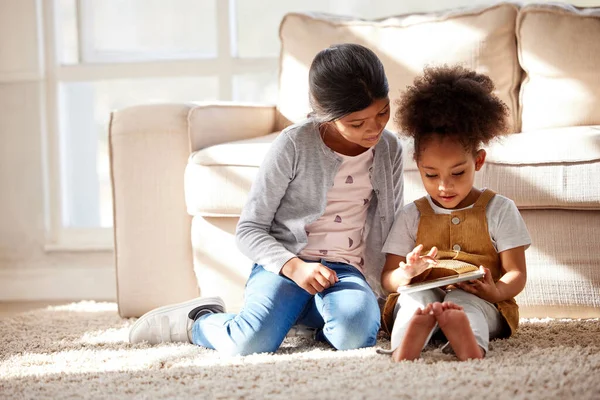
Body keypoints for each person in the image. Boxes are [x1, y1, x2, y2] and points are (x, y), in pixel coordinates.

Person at [129, 43, 404, 356]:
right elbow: (249, 230)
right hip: (285, 267)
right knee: (251, 342)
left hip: (344, 272)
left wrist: (388, 290)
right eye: (357, 123)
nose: (375, 128)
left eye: (383, 112)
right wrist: (295, 267)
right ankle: (199, 321)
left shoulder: (388, 149)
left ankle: (303, 316)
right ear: (326, 116)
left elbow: (391, 225)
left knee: (356, 335)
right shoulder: (294, 145)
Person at [380, 65, 531, 362]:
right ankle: (404, 346)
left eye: (458, 172)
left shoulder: (499, 209)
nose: (444, 186)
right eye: (430, 174)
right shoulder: (411, 215)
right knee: (414, 301)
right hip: (423, 291)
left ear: (479, 160)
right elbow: (388, 278)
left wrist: (495, 291)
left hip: (482, 299)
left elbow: (516, 273)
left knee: (464, 303)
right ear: (417, 163)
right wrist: (406, 274)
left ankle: (469, 344)